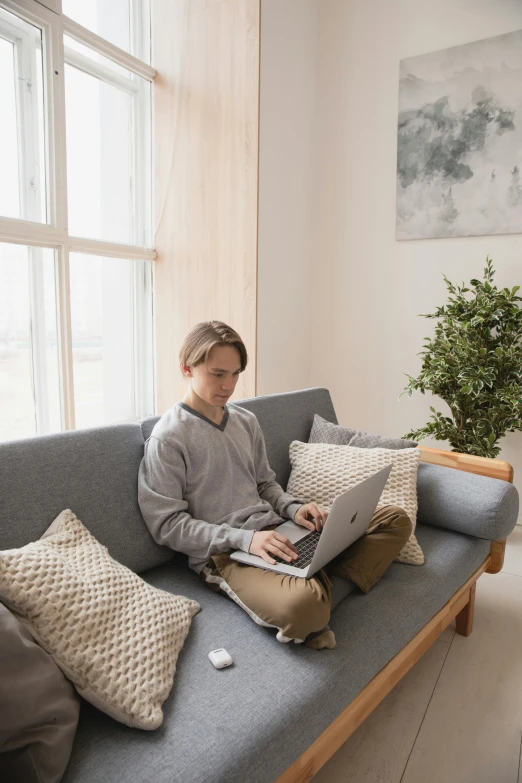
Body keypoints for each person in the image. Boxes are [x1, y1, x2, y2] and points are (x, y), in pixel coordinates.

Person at [138, 321, 412, 650]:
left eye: (236, 373)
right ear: (187, 368)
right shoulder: (168, 438)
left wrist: (294, 509)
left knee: (395, 519)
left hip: (278, 531)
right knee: (301, 608)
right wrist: (246, 539)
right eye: (218, 373)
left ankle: (315, 582)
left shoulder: (245, 421)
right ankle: (318, 594)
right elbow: (166, 526)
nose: (229, 385)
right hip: (228, 554)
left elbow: (266, 484)